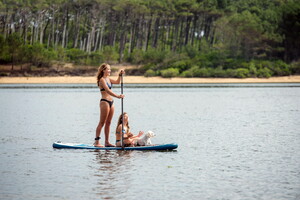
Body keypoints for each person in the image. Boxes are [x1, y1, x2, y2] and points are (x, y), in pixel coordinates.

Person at [94, 63, 125, 147]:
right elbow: (107, 90)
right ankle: (96, 142)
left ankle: (107, 142)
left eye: (110, 69)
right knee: (102, 122)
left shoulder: (108, 79)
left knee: (109, 123)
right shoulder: (102, 80)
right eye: (108, 69)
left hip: (111, 102)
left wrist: (120, 75)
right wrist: (118, 96)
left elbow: (118, 82)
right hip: (104, 102)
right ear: (103, 70)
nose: (109, 70)